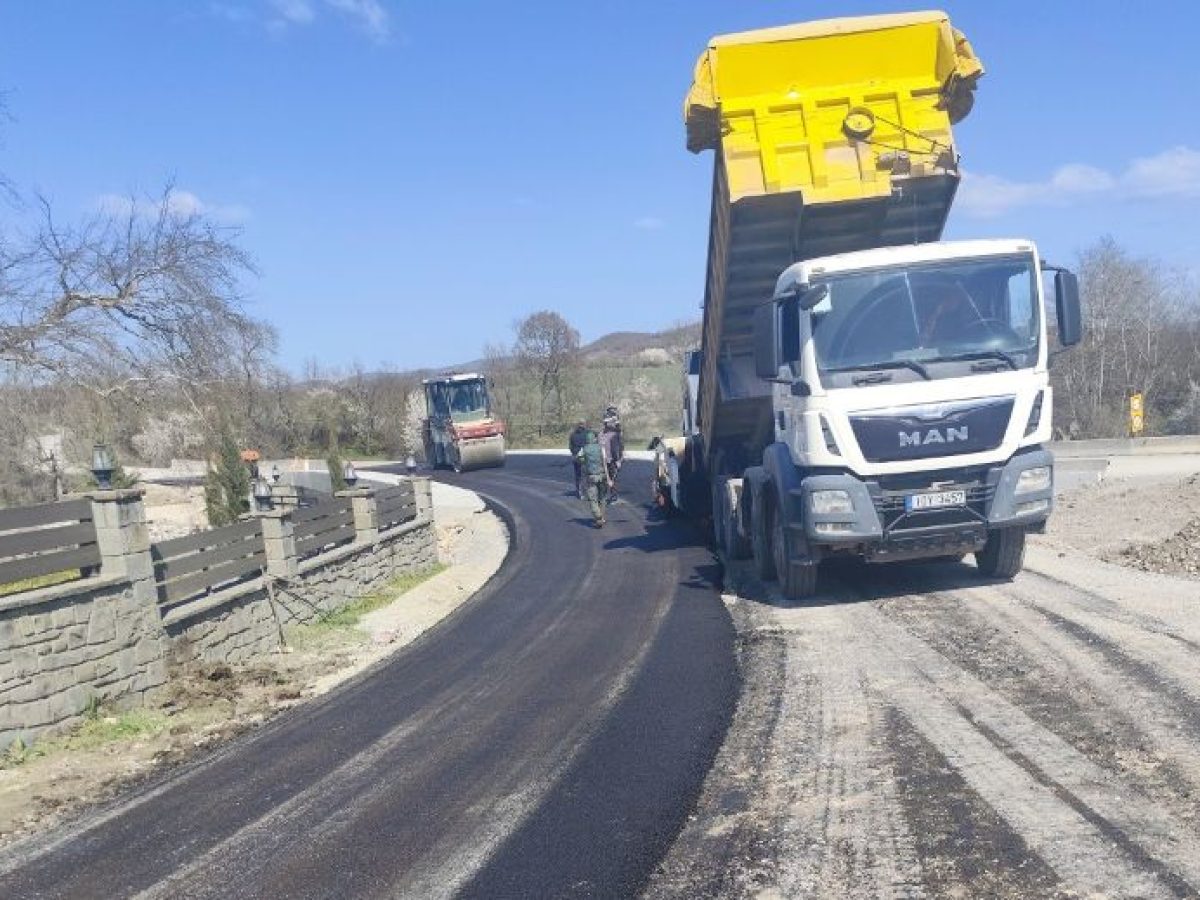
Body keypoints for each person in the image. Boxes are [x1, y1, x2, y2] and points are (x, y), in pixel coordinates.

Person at [576, 430, 612, 528]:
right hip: (602, 476)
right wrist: (608, 478)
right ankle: (602, 517)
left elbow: (578, 458)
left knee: (593, 498)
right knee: (602, 497)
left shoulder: (584, 449)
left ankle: (598, 516)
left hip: (591, 477)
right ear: (595, 439)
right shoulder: (601, 448)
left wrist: (584, 462)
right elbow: (605, 463)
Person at [599, 407, 624, 502]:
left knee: (607, 477)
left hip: (604, 458)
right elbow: (616, 448)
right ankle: (612, 495)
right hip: (611, 459)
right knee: (612, 477)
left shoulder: (601, 434)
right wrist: (618, 460)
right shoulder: (614, 434)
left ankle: (606, 494)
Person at [567, 419, 589, 499]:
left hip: (576, 456)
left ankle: (579, 491)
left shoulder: (573, 434)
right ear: (584, 424)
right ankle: (585, 491)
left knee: (577, 474)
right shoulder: (588, 434)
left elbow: (570, 446)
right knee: (585, 474)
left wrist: (574, 453)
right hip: (585, 457)